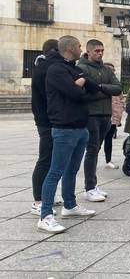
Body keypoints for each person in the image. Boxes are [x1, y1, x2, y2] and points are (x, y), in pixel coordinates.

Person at [37, 35, 99, 233]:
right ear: (71, 47)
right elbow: (74, 93)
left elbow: (94, 90)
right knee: (55, 171)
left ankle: (70, 205)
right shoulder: (56, 69)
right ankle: (45, 215)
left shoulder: (74, 68)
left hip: (81, 127)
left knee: (72, 170)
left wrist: (80, 84)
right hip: (64, 128)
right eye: (79, 46)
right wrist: (80, 85)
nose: (82, 48)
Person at [77, 39, 122, 202]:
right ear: (88, 51)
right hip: (91, 115)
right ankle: (89, 187)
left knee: (96, 149)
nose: (100, 53)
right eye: (97, 51)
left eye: (102, 50)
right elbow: (85, 92)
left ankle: (93, 185)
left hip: (106, 114)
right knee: (92, 150)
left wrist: (100, 87)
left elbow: (118, 88)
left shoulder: (106, 69)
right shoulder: (81, 68)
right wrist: (105, 90)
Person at [30, 39, 60, 216]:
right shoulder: (45, 67)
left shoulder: (43, 66)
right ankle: (38, 200)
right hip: (46, 121)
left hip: (48, 119)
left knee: (53, 160)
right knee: (45, 159)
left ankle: (47, 195)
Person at [103, 63, 124, 169]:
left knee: (109, 139)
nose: (113, 72)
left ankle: (108, 160)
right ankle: (91, 159)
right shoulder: (102, 84)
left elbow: (121, 99)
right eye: (111, 70)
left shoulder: (116, 85)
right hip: (103, 116)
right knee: (97, 140)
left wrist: (120, 113)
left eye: (113, 70)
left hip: (113, 117)